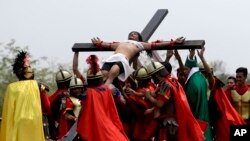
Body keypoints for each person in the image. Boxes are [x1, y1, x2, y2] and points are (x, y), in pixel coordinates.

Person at [91, 31, 185, 85]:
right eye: (131, 33)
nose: (132, 34)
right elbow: (107, 45)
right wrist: (99, 43)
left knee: (113, 73)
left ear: (139, 38)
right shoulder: (121, 43)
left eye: (135, 34)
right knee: (103, 74)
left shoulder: (140, 44)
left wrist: (173, 42)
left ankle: (103, 93)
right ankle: (99, 91)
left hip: (122, 60)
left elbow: (155, 45)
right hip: (111, 59)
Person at [143, 61, 205, 141]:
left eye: (152, 76)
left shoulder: (166, 84)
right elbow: (157, 94)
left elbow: (160, 104)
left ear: (157, 74)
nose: (152, 79)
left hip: (168, 122)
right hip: (172, 121)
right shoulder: (171, 80)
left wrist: (148, 97)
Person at [197, 47, 246, 141]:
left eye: (240, 77)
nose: (239, 79)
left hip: (241, 122)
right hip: (223, 121)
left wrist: (202, 58)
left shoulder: (213, 83)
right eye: (237, 77)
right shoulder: (229, 91)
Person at [76, 54, 128, 141]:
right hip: (109, 125)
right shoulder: (109, 89)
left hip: (95, 127)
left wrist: (79, 122)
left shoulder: (87, 93)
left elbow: (83, 110)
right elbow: (123, 102)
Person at [0, 51, 45, 141]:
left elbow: (8, 112)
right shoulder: (38, 85)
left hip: (19, 123)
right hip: (35, 122)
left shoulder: (11, 87)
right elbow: (47, 106)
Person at [183, 49, 213, 141]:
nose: (184, 71)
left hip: (197, 117)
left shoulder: (193, 82)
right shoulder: (201, 79)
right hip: (204, 116)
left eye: (186, 69)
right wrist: (191, 55)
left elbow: (189, 104)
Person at [49, 69, 72, 139]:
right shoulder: (68, 96)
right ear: (66, 83)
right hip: (64, 132)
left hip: (53, 132)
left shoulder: (50, 98)